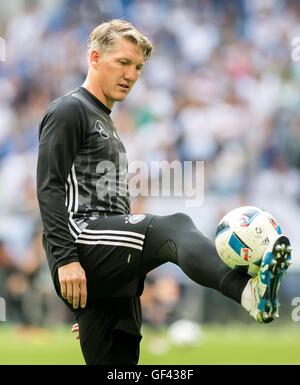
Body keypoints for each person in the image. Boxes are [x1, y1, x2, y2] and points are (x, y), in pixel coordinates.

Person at [36, 19, 292, 365]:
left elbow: (117, 212)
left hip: (101, 260)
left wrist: (109, 286)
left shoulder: (107, 122)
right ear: (95, 58)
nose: (131, 74)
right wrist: (66, 260)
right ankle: (248, 291)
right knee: (175, 224)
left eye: (138, 67)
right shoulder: (69, 110)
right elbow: (49, 188)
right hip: (81, 240)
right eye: (123, 62)